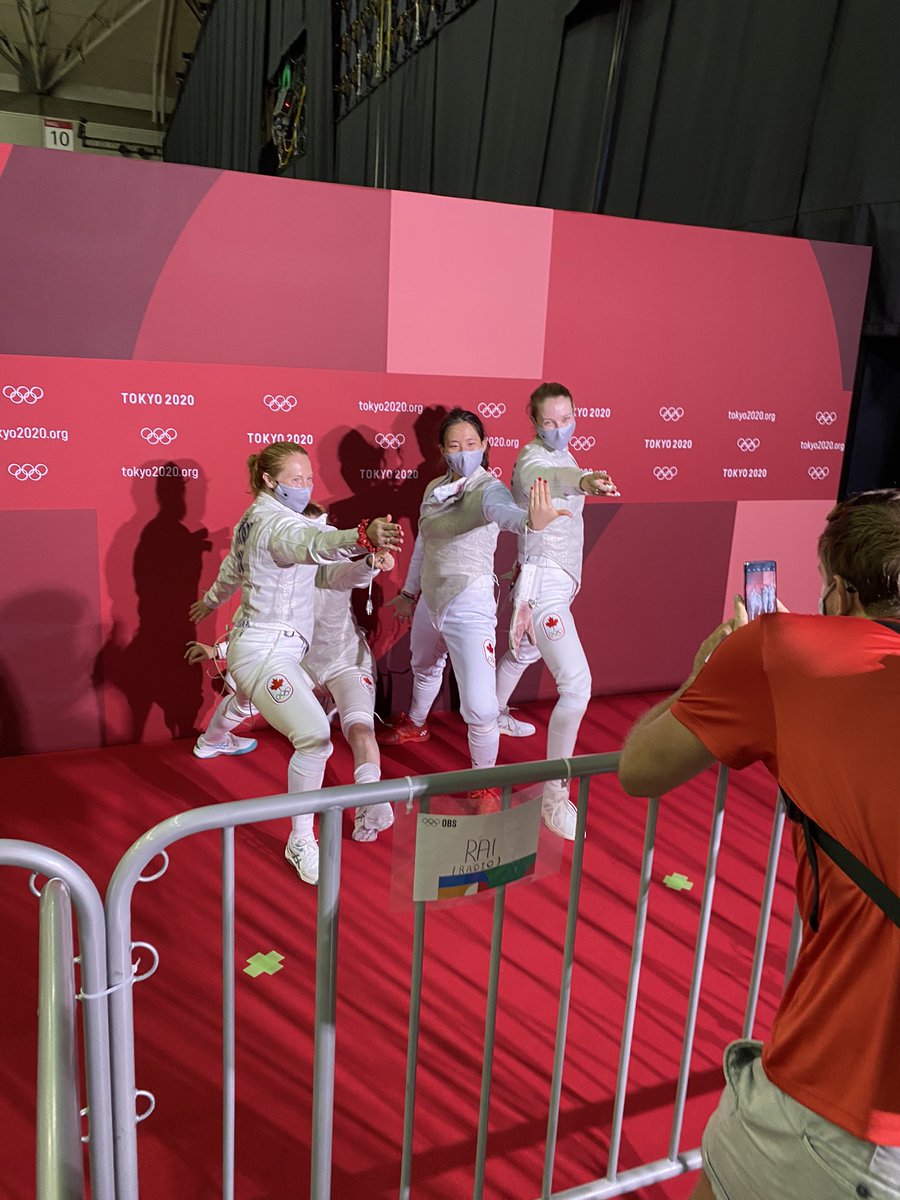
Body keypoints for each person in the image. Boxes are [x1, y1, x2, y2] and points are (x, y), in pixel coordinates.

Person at [618, 489, 900, 1200]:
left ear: (838, 591)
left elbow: (640, 768)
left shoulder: (781, 648)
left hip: (843, 1111)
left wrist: (705, 674)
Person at [189, 441, 402, 885]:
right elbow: (314, 542)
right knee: (314, 737)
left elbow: (235, 567)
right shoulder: (277, 525)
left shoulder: (253, 519)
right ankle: (301, 839)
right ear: (269, 480)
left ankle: (212, 740)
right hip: (266, 652)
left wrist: (210, 601)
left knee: (248, 704)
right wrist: (361, 536)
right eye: (295, 479)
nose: (305, 486)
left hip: (275, 649)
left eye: (308, 478)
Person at [378, 407, 568, 812]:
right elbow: (425, 545)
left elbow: (509, 516)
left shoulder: (488, 489)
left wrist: (532, 521)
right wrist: (410, 593)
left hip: (471, 604)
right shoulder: (433, 488)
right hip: (431, 597)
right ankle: (416, 724)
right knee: (423, 664)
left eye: (471, 444)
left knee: (480, 707)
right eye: (454, 446)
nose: (463, 452)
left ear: (484, 446)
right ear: (442, 451)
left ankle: (485, 783)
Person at [494, 382, 619, 838]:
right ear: (532, 422)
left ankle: (491, 715)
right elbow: (544, 481)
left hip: (548, 579)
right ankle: (554, 800)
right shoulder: (533, 459)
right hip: (544, 586)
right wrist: (584, 481)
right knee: (577, 685)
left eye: (566, 419)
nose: (559, 428)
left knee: (524, 653)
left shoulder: (565, 454)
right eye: (549, 422)